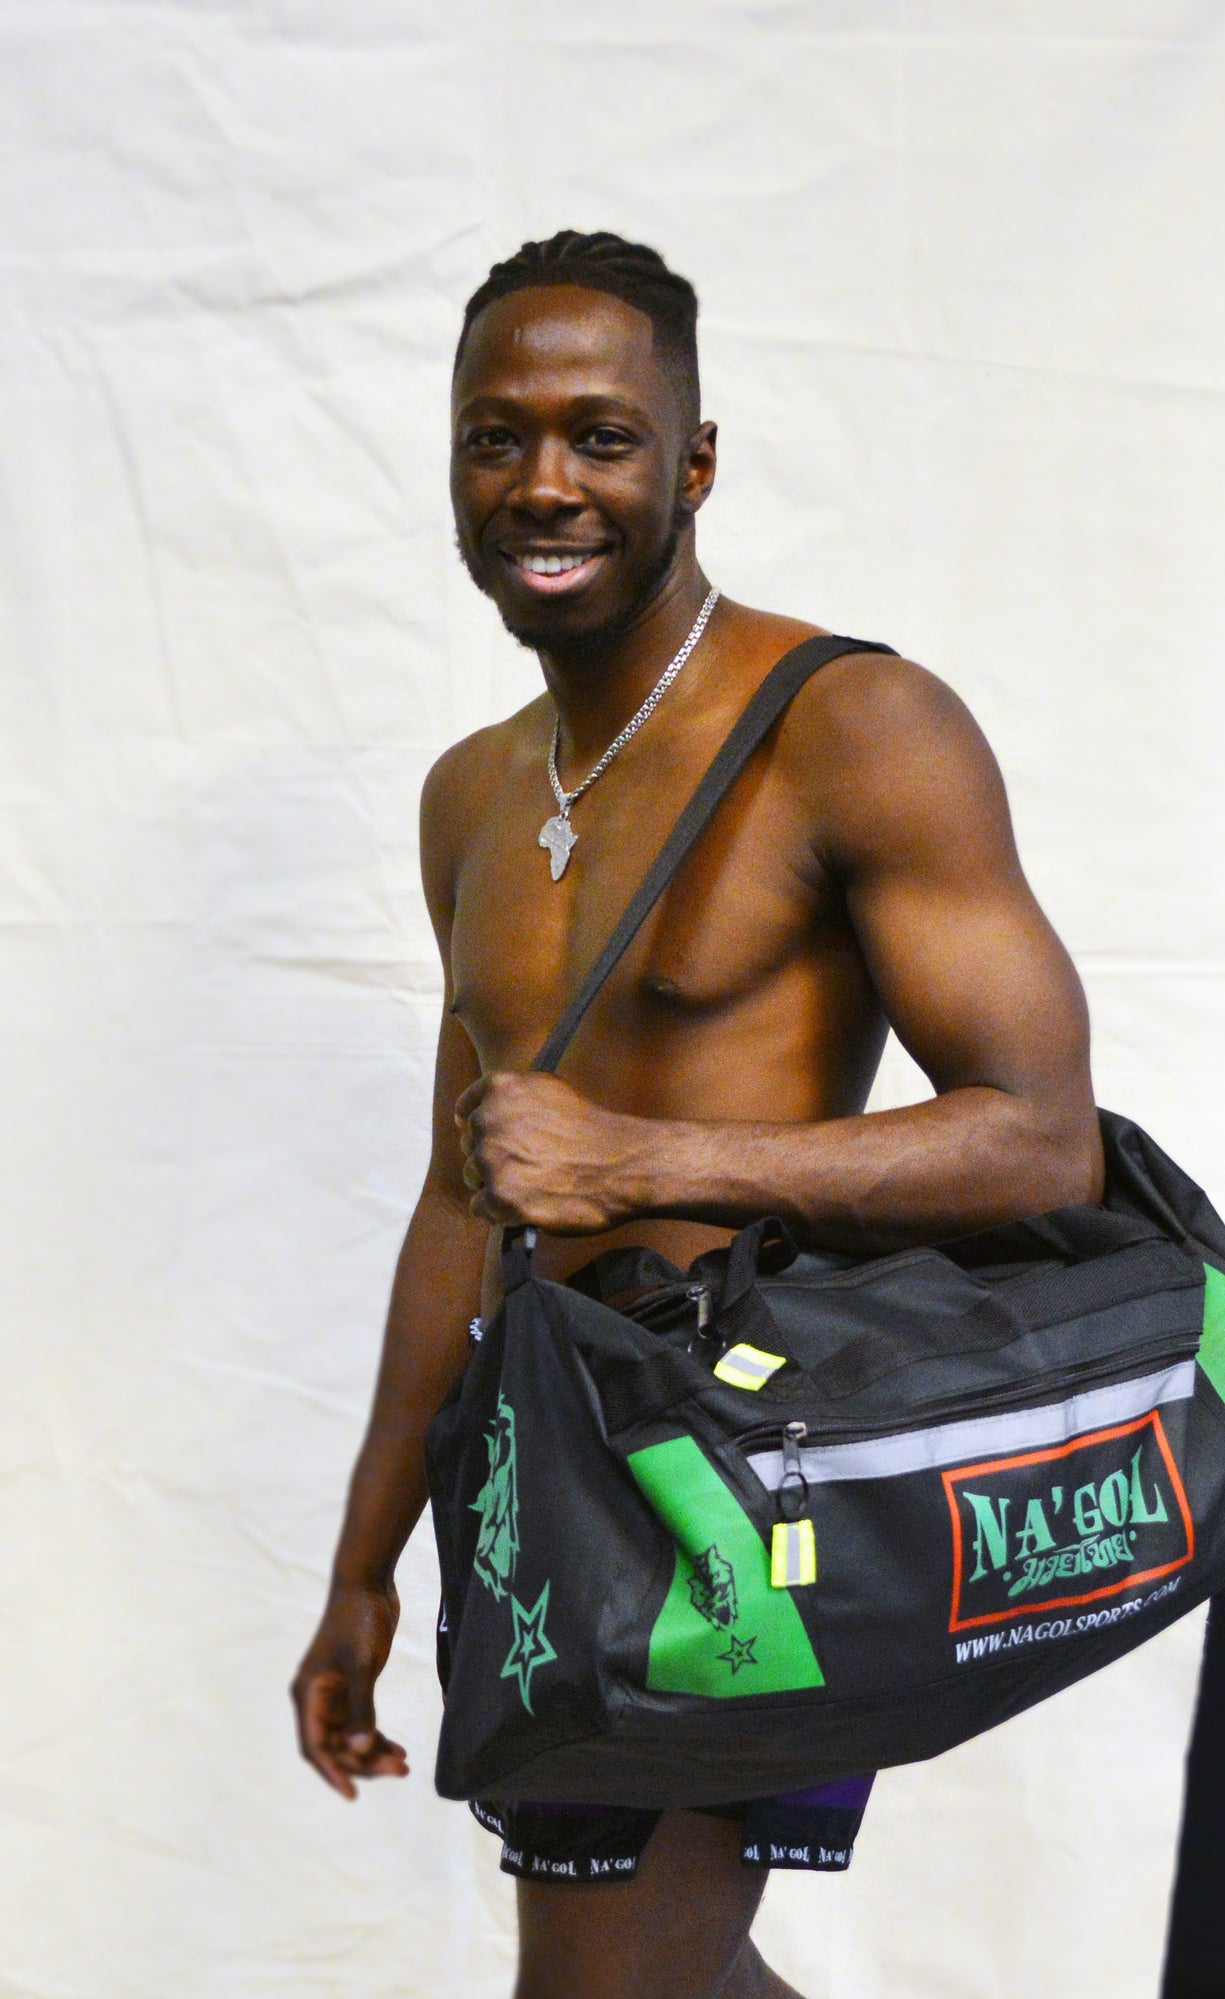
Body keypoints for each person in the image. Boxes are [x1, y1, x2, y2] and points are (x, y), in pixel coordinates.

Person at [291, 229, 1104, 1999]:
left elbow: (1039, 1137)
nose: (543, 483)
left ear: (695, 461)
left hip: (742, 1476)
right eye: (495, 438)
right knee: (652, 1979)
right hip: (549, 1482)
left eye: (600, 435)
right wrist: (366, 1561)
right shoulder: (472, 797)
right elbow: (465, 1200)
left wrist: (647, 1162)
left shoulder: (853, 726)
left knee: (602, 1987)